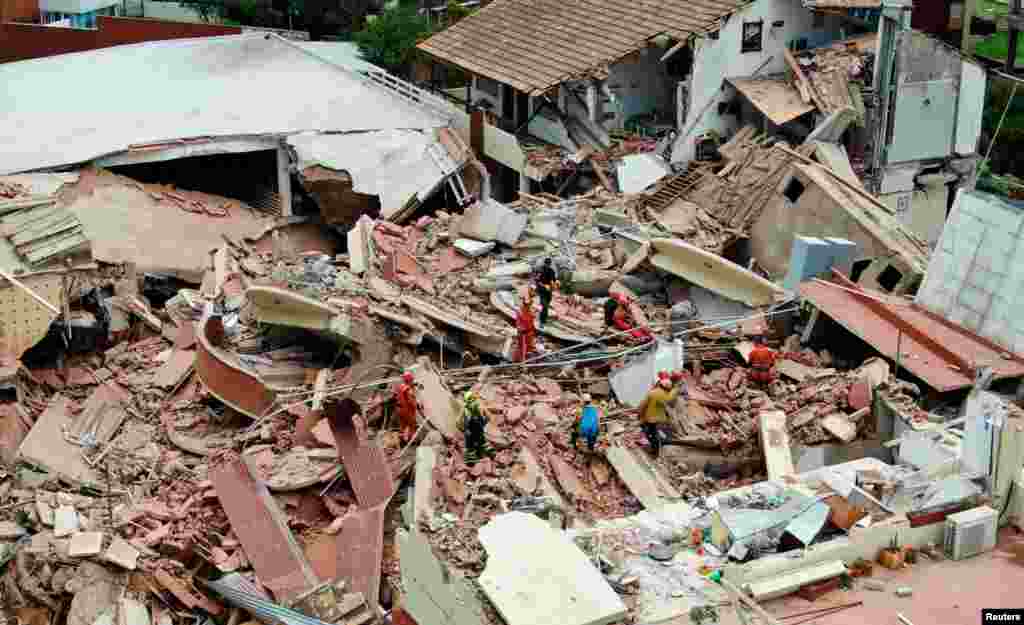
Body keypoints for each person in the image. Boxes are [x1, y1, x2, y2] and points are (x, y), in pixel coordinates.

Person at [637, 373, 680, 457]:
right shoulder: (667, 395)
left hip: (650, 418)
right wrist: (675, 389)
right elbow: (671, 401)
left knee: (650, 433)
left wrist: (639, 413)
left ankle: (653, 450)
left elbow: (643, 405)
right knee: (654, 433)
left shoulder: (652, 393)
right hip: (660, 418)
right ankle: (656, 449)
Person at [458, 390, 492, 465]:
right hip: (479, 428)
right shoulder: (479, 405)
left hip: (469, 431)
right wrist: (484, 424)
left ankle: (472, 463)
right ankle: (488, 456)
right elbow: (489, 417)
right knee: (483, 443)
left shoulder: (464, 408)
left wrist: (463, 429)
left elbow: (458, 422)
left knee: (470, 448)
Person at [394, 371, 420, 444]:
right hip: (406, 410)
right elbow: (410, 401)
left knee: (403, 426)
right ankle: (412, 440)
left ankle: (401, 440)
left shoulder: (399, 386)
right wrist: (417, 405)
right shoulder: (408, 390)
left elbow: (395, 395)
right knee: (412, 425)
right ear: (409, 380)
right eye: (412, 379)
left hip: (399, 409)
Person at [514, 288, 537, 362]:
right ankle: (519, 360)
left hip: (529, 332)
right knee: (521, 347)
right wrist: (520, 329)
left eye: (529, 304)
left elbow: (531, 321)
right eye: (527, 304)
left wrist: (533, 329)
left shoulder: (530, 311)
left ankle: (528, 359)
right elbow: (518, 323)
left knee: (529, 346)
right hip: (523, 333)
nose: (528, 305)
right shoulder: (520, 312)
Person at [535, 258, 559, 328]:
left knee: (546, 306)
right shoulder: (540, 270)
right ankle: (541, 322)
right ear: (544, 263)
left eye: (549, 264)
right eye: (547, 264)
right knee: (544, 306)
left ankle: (544, 319)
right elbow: (537, 280)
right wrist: (544, 285)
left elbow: (554, 279)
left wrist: (557, 282)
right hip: (542, 291)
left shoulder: (551, 270)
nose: (548, 265)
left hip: (549, 292)